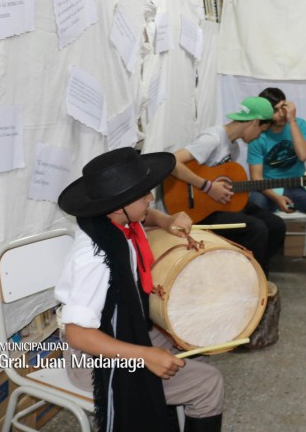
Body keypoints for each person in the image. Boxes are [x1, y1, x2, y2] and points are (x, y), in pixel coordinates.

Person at [55, 147, 224, 432]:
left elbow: (144, 216)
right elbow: (78, 333)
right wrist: (145, 355)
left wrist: (166, 221)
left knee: (193, 344)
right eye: (144, 194)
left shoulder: (112, 222)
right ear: (118, 205)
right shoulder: (96, 258)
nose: (151, 198)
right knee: (209, 383)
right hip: (94, 360)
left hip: (121, 329)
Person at [171, 96, 286, 276]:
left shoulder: (234, 148)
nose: (259, 136)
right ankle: (253, 279)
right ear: (255, 122)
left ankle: (252, 272)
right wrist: (208, 187)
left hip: (217, 206)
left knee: (276, 225)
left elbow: (220, 182)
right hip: (198, 210)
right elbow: (172, 162)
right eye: (262, 131)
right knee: (257, 229)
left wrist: (220, 189)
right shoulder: (212, 138)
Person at [246, 87, 306, 295]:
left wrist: (293, 121)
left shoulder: (299, 124)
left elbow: (303, 155)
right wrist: (276, 198)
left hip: (296, 185)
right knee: (254, 211)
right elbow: (256, 179)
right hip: (266, 189)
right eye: (277, 110)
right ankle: (259, 269)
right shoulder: (258, 134)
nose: (282, 113)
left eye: (284, 107)